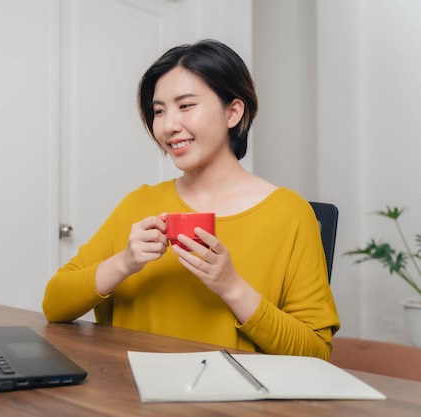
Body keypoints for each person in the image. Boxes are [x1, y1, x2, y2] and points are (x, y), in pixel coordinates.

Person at [42, 39, 340, 360]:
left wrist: (231, 286)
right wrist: (125, 262)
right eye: (159, 111)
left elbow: (315, 352)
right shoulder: (139, 204)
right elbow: (54, 304)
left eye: (186, 106)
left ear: (233, 112)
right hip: (130, 399)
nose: (169, 125)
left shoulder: (290, 214)